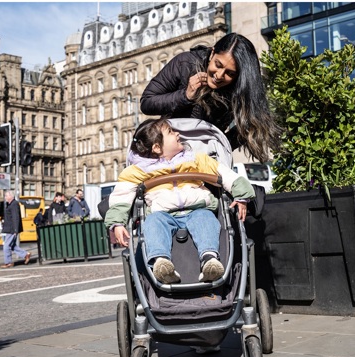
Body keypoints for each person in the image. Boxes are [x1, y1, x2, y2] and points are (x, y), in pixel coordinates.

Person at [105, 118, 254, 283]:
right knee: (152, 223)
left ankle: (209, 260)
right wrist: (117, 223)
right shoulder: (138, 171)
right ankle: (161, 262)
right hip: (163, 214)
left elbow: (224, 174)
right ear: (156, 147)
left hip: (197, 209)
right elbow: (121, 195)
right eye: (170, 132)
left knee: (206, 220)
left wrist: (241, 194)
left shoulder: (195, 159)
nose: (177, 133)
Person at [140, 32, 280, 163]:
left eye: (229, 73)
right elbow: (146, 102)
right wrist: (186, 95)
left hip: (205, 164)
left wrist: (219, 146)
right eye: (218, 65)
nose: (219, 75)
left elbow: (231, 137)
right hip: (168, 155)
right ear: (212, 53)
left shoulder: (237, 91)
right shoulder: (185, 63)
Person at [1, 191, 31, 268]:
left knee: (6, 246)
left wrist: (15, 229)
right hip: (9, 228)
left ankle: (8, 262)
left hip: (11, 229)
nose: (5, 197)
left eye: (6, 196)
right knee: (12, 245)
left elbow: (15, 217)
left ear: (11, 196)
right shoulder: (10, 204)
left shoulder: (14, 204)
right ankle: (25, 254)